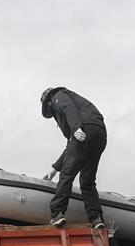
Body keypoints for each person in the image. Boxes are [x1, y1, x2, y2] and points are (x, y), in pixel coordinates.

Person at [40, 87, 107, 230]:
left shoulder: (57, 96)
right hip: (99, 134)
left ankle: (57, 214)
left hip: (84, 128)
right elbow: (72, 144)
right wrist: (54, 168)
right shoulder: (79, 105)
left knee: (67, 175)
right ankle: (96, 218)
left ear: (48, 103)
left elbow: (67, 107)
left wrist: (76, 127)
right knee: (87, 182)